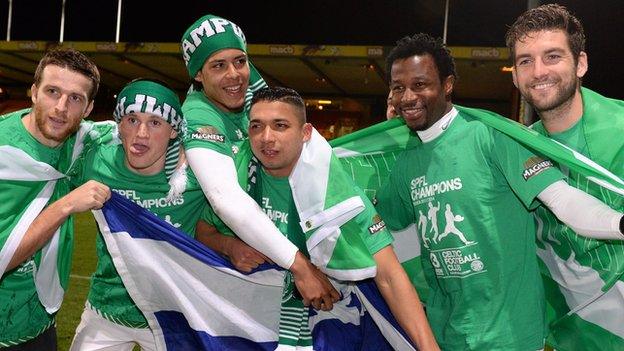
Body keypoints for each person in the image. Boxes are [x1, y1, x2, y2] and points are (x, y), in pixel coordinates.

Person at [375, 33, 624, 350]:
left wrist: (619, 223)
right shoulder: (406, 164)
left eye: (420, 85)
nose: (407, 96)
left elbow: (562, 199)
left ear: (448, 84)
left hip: (509, 337)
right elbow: (381, 235)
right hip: (445, 336)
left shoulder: (492, 136)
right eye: (398, 88)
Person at [197, 86, 439, 350]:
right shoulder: (239, 179)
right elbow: (203, 230)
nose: (266, 137)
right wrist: (230, 246)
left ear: (306, 133)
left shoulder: (337, 194)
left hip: (330, 321)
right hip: (254, 321)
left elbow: (390, 276)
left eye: (280, 126)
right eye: (256, 126)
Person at [180, 14, 337, 307]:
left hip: (260, 249)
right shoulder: (199, 115)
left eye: (240, 61)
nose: (235, 74)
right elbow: (224, 199)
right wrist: (300, 267)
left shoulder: (248, 88)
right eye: (218, 65)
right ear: (198, 75)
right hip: (207, 263)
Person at [506, 4, 624, 349]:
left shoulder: (620, 129)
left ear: (581, 63)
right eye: (526, 61)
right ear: (514, 75)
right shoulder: (517, 150)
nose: (538, 71)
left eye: (552, 56)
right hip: (567, 336)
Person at [67, 78, 209, 351]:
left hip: (175, 316)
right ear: (119, 125)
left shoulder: (197, 175)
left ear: (173, 131)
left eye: (155, 122)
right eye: (132, 119)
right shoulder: (96, 160)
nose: (141, 133)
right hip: (106, 310)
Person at [0, 48, 111, 350]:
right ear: (34, 92)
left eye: (75, 98)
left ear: (88, 108)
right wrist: (66, 205)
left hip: (39, 321)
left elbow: (127, 135)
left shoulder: (79, 145)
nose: (61, 107)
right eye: (52, 91)